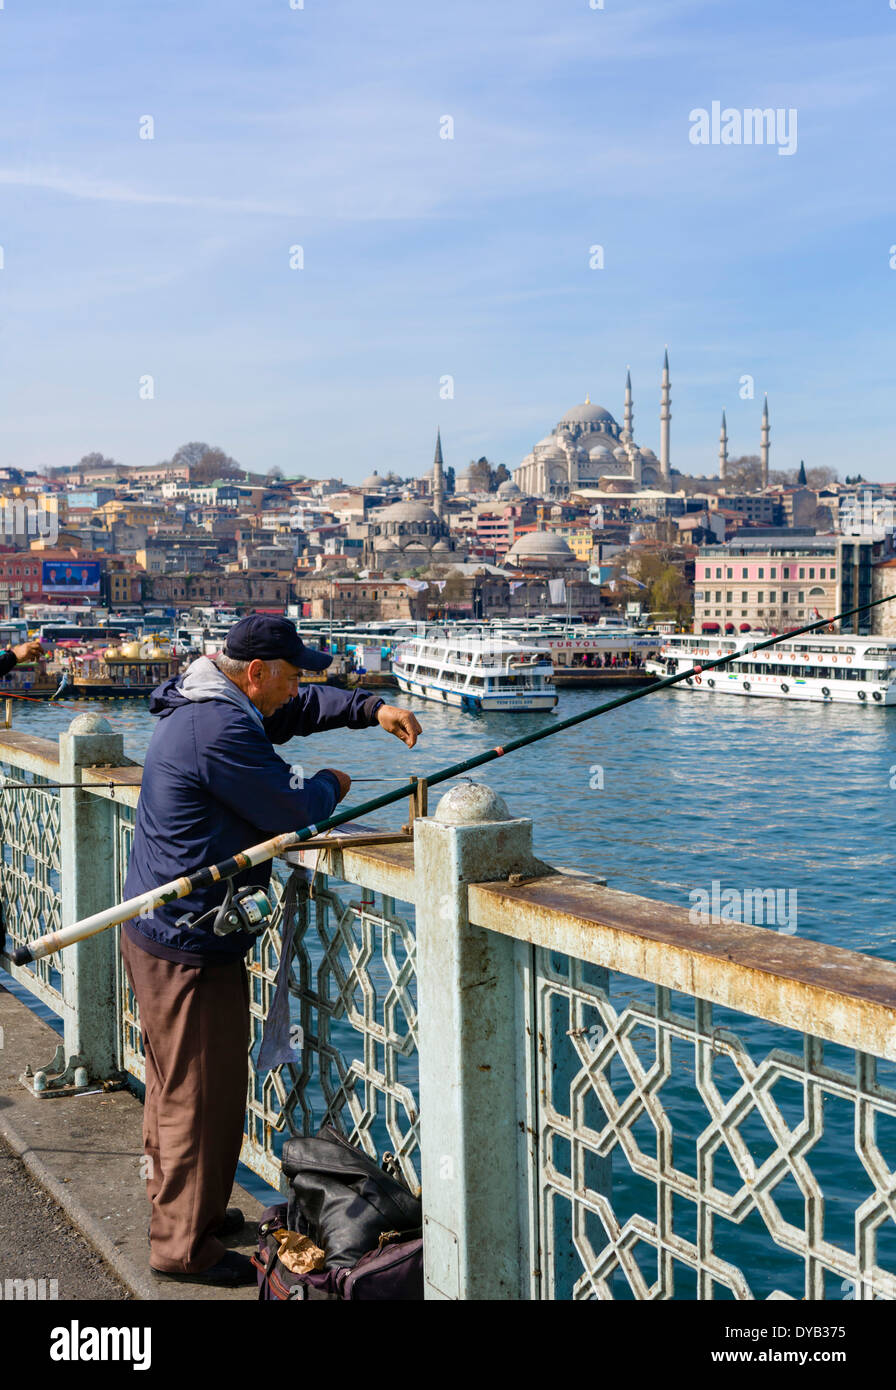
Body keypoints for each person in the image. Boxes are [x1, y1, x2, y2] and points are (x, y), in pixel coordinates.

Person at [120, 614, 422, 1287]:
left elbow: (304, 706)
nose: (294, 690)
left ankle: (185, 1212)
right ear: (254, 673)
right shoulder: (220, 729)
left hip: (164, 931)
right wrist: (333, 785)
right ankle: (182, 1248)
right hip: (188, 942)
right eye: (287, 676)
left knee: (175, 1087)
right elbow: (294, 809)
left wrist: (371, 708)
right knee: (200, 1096)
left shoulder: (217, 700)